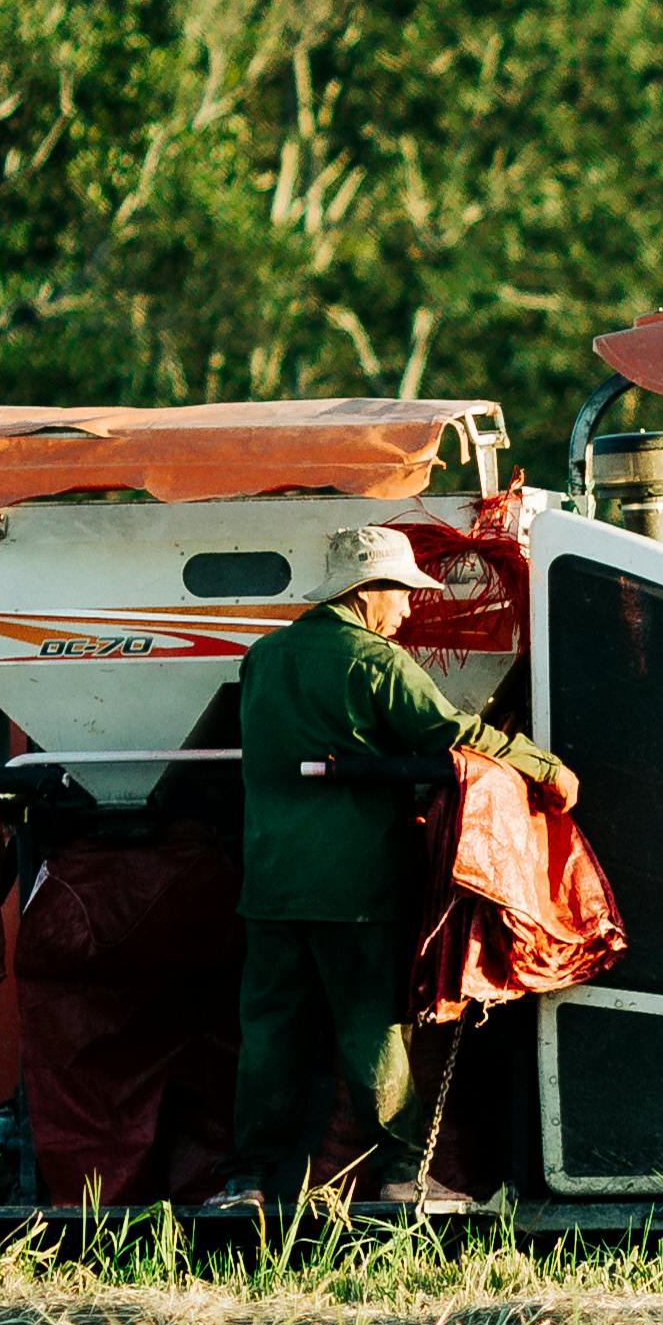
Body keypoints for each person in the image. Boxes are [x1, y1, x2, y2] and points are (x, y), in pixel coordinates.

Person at [232, 518, 574, 1209]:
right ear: (367, 592)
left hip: (268, 882)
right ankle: (400, 1175)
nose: (410, 607)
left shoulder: (264, 657)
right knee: (373, 1028)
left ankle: (245, 1183)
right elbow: (452, 733)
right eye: (403, 593)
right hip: (352, 884)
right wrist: (543, 766)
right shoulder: (373, 661)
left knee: (269, 1034)